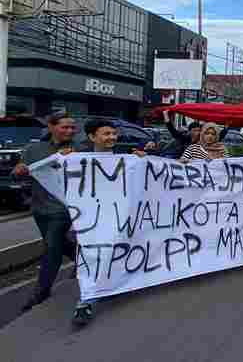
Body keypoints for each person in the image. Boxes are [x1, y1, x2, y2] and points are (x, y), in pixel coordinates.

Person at [70, 119, 148, 326]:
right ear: (92, 137)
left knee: (114, 254)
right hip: (91, 220)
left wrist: (142, 160)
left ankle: (109, 287)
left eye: (113, 134)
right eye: (106, 134)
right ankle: (86, 301)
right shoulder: (76, 159)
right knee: (93, 255)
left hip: (119, 218)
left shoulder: (126, 158)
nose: (112, 138)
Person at [14, 113, 79, 314]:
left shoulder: (81, 149)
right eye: (64, 127)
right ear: (51, 127)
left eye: (72, 128)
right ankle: (86, 260)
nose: (69, 131)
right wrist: (20, 170)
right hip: (40, 209)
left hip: (64, 210)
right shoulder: (34, 149)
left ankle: (40, 293)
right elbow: (18, 171)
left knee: (51, 248)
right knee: (61, 245)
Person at [163, 110, 229, 158]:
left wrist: (226, 126)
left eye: (199, 130)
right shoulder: (185, 139)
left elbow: (219, 136)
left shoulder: (206, 141)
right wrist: (165, 115)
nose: (197, 132)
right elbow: (173, 131)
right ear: (189, 131)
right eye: (195, 130)